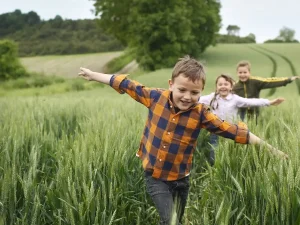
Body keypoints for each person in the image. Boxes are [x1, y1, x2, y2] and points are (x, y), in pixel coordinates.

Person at [78, 56, 287, 225]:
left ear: (202, 92)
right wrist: (94, 75)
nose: (187, 96)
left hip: (181, 179)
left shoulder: (201, 114)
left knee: (175, 220)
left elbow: (234, 131)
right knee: (170, 221)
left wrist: (272, 149)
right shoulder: (155, 97)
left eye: (194, 92)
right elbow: (126, 84)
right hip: (155, 175)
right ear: (171, 85)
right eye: (182, 90)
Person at [199, 74, 285, 166]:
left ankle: (228, 167)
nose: (223, 86)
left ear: (231, 87)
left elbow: (251, 102)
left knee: (231, 152)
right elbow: (198, 99)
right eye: (220, 84)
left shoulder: (235, 99)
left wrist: (269, 102)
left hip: (231, 131)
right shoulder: (212, 97)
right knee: (214, 151)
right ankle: (214, 168)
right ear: (216, 87)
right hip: (215, 131)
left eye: (226, 84)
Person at [233, 60, 300, 121]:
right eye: (240, 72)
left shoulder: (255, 82)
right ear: (237, 73)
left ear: (249, 73)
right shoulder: (235, 86)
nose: (242, 75)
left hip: (255, 112)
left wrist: (288, 80)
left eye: (245, 72)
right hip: (240, 113)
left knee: (254, 131)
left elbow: (270, 81)